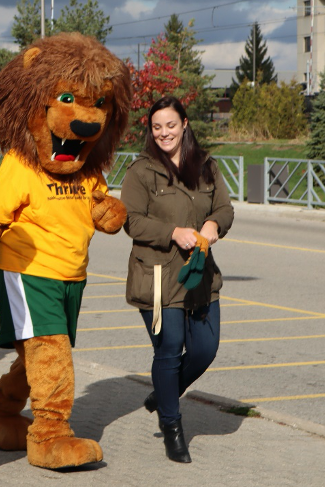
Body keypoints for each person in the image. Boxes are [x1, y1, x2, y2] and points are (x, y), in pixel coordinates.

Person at [121, 96, 234, 463]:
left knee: (205, 350)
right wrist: (172, 231)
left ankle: (163, 392)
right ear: (150, 131)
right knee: (168, 351)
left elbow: (224, 207)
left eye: (170, 125)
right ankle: (172, 427)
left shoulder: (206, 166)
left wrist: (214, 224)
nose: (164, 132)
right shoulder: (141, 171)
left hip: (199, 276)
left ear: (184, 124)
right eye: (157, 127)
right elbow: (132, 221)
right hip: (157, 277)